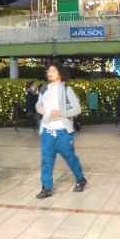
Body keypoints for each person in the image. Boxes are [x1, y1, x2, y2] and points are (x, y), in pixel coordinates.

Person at [35, 61, 87, 199]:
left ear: (60, 72)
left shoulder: (66, 89)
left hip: (63, 132)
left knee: (70, 158)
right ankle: (46, 188)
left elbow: (77, 108)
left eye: (52, 70)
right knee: (46, 161)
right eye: (48, 71)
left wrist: (62, 113)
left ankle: (80, 179)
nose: (49, 73)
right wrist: (39, 108)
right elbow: (38, 104)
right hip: (47, 131)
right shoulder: (44, 88)